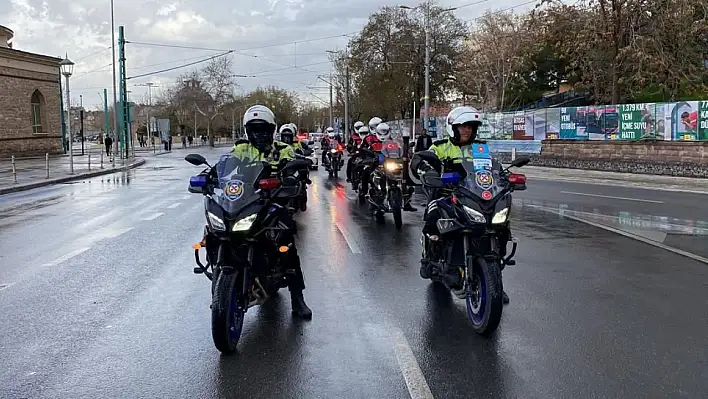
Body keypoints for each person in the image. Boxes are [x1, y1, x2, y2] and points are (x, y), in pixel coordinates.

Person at [411, 106, 510, 304]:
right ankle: (429, 255)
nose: (467, 130)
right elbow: (419, 161)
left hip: (477, 198)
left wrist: (507, 178)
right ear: (452, 128)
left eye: (471, 127)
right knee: (432, 214)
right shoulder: (440, 147)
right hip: (448, 195)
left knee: (501, 226)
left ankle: (493, 282)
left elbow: (495, 169)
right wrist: (427, 171)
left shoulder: (481, 148)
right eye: (463, 126)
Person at [230, 105, 312, 319]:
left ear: (272, 129)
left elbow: (292, 166)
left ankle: (298, 298)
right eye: (254, 129)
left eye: (264, 128)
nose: (259, 133)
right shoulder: (241, 149)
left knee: (288, 245)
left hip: (274, 204)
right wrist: (210, 176)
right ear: (248, 130)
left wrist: (292, 175)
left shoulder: (282, 149)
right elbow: (225, 166)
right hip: (246, 203)